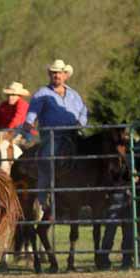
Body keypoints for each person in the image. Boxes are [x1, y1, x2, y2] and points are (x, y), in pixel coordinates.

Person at [23, 59, 88, 214]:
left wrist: (81, 122)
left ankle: (90, 192)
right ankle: (43, 198)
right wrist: (29, 122)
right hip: (52, 136)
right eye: (53, 73)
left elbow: (84, 111)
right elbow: (32, 113)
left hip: (74, 133)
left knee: (90, 154)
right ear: (50, 75)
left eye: (59, 73)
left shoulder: (74, 94)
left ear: (65, 75)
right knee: (49, 157)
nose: (56, 75)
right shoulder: (42, 94)